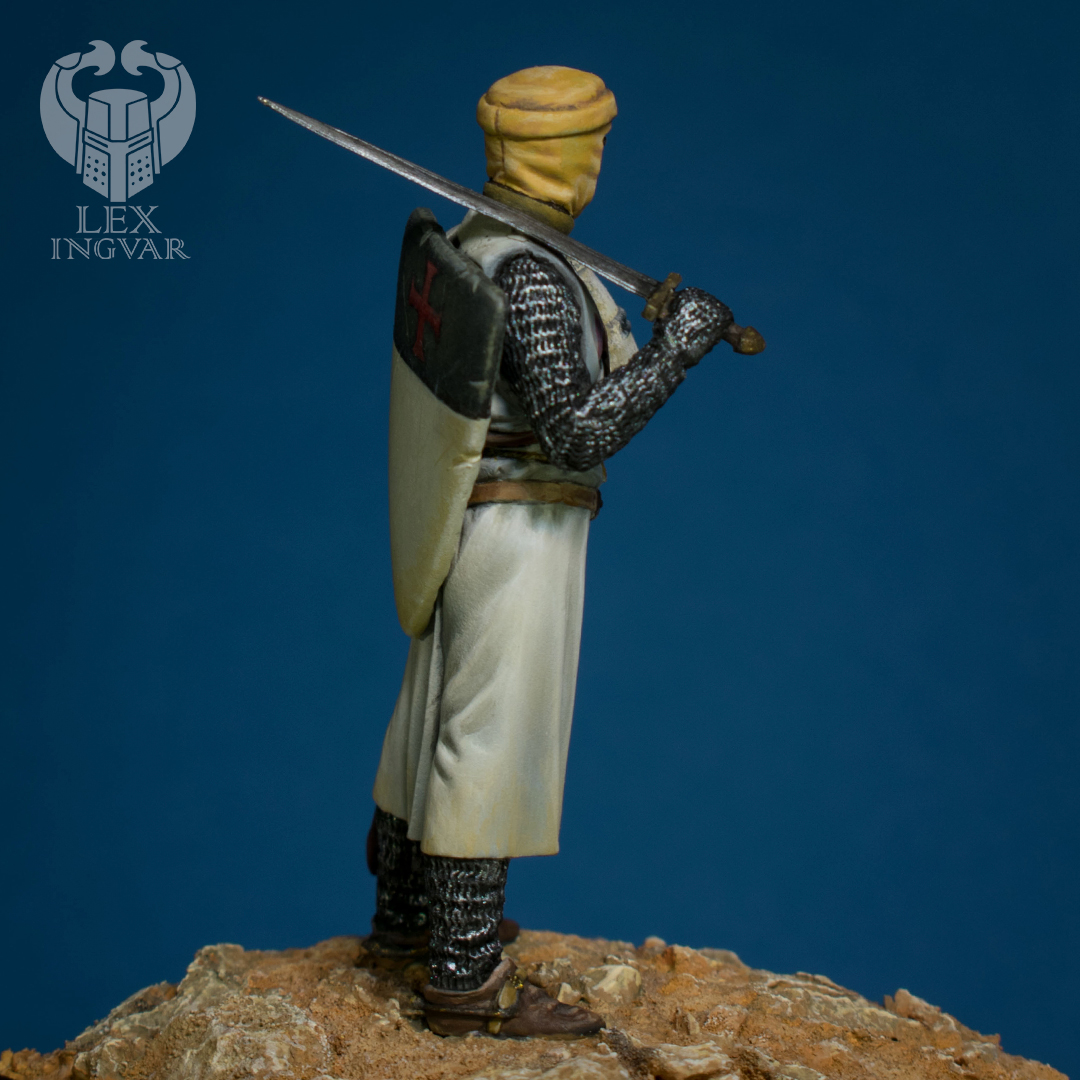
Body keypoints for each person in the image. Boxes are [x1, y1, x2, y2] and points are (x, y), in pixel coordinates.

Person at [366, 66, 734, 1037]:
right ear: (563, 156)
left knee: (431, 718)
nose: (601, 160)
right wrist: (680, 349)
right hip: (515, 529)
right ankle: (463, 973)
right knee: (490, 739)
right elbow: (577, 431)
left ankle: (406, 916)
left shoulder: (477, 242)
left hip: (468, 519)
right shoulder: (528, 272)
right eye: (593, 143)